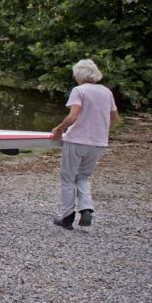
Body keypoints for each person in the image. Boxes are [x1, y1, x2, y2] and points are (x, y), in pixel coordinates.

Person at [50, 59, 118, 230]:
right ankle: (86, 209)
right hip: (98, 142)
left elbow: (72, 117)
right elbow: (114, 118)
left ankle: (67, 217)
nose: (75, 78)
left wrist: (59, 128)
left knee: (67, 178)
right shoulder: (106, 92)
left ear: (80, 75)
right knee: (83, 177)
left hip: (77, 140)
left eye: (75, 75)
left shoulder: (79, 90)